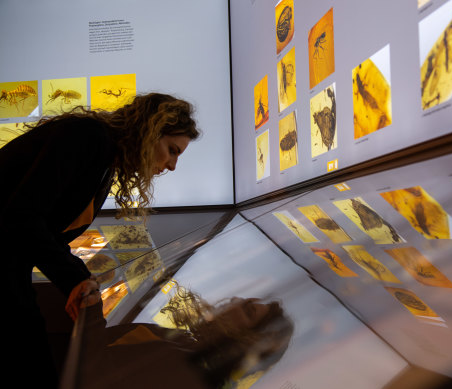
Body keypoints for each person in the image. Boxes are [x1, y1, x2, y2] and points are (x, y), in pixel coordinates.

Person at [0, 93, 200, 388]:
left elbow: (43, 230)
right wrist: (74, 278)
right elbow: (22, 216)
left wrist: (79, 278)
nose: (171, 165)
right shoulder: (87, 137)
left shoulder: (104, 160)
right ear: (150, 131)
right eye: (172, 150)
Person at [75, 286, 294, 389]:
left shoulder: (187, 368)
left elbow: (93, 375)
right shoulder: (181, 343)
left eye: (248, 311)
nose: (235, 300)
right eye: (244, 299)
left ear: (249, 342)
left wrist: (91, 315)